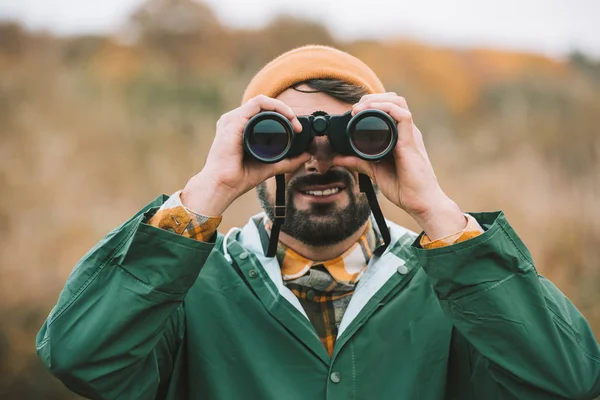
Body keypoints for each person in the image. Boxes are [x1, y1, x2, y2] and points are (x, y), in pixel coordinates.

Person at [37, 45, 600, 400]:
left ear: (389, 145)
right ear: (248, 146)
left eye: (358, 136)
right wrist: (208, 191)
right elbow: (80, 358)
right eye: (284, 137)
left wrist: (438, 212)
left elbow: (567, 380)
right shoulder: (189, 286)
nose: (319, 157)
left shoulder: (448, 283)